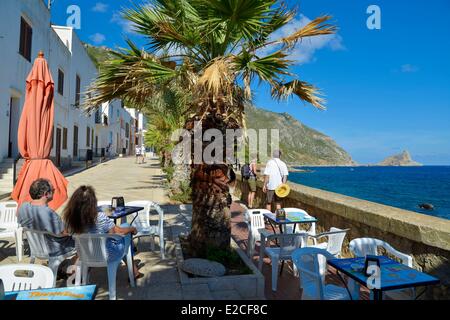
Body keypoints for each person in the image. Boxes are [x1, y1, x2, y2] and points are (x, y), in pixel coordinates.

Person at [63, 185, 143, 279]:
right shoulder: (99, 217)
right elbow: (117, 232)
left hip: (85, 254)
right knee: (125, 232)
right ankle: (133, 271)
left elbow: (66, 232)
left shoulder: (71, 219)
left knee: (120, 237)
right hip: (106, 255)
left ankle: (134, 270)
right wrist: (132, 229)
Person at [17, 179, 76, 275]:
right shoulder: (48, 214)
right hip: (54, 249)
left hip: (36, 247)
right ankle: (75, 275)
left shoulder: (23, 208)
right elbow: (63, 232)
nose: (54, 192)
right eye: (53, 190)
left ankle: (60, 269)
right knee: (84, 243)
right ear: (46, 194)